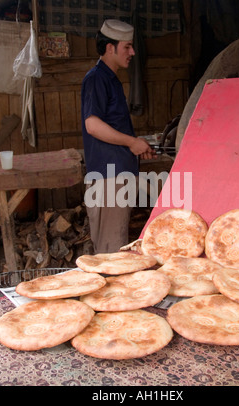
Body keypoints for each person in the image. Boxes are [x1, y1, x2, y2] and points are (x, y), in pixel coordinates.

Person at [81, 19, 154, 254]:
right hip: (108, 178)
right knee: (110, 252)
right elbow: (92, 125)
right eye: (127, 46)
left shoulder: (110, 79)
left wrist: (138, 146)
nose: (132, 52)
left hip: (116, 175)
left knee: (114, 246)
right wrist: (132, 142)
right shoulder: (96, 79)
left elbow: (112, 127)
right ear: (110, 48)